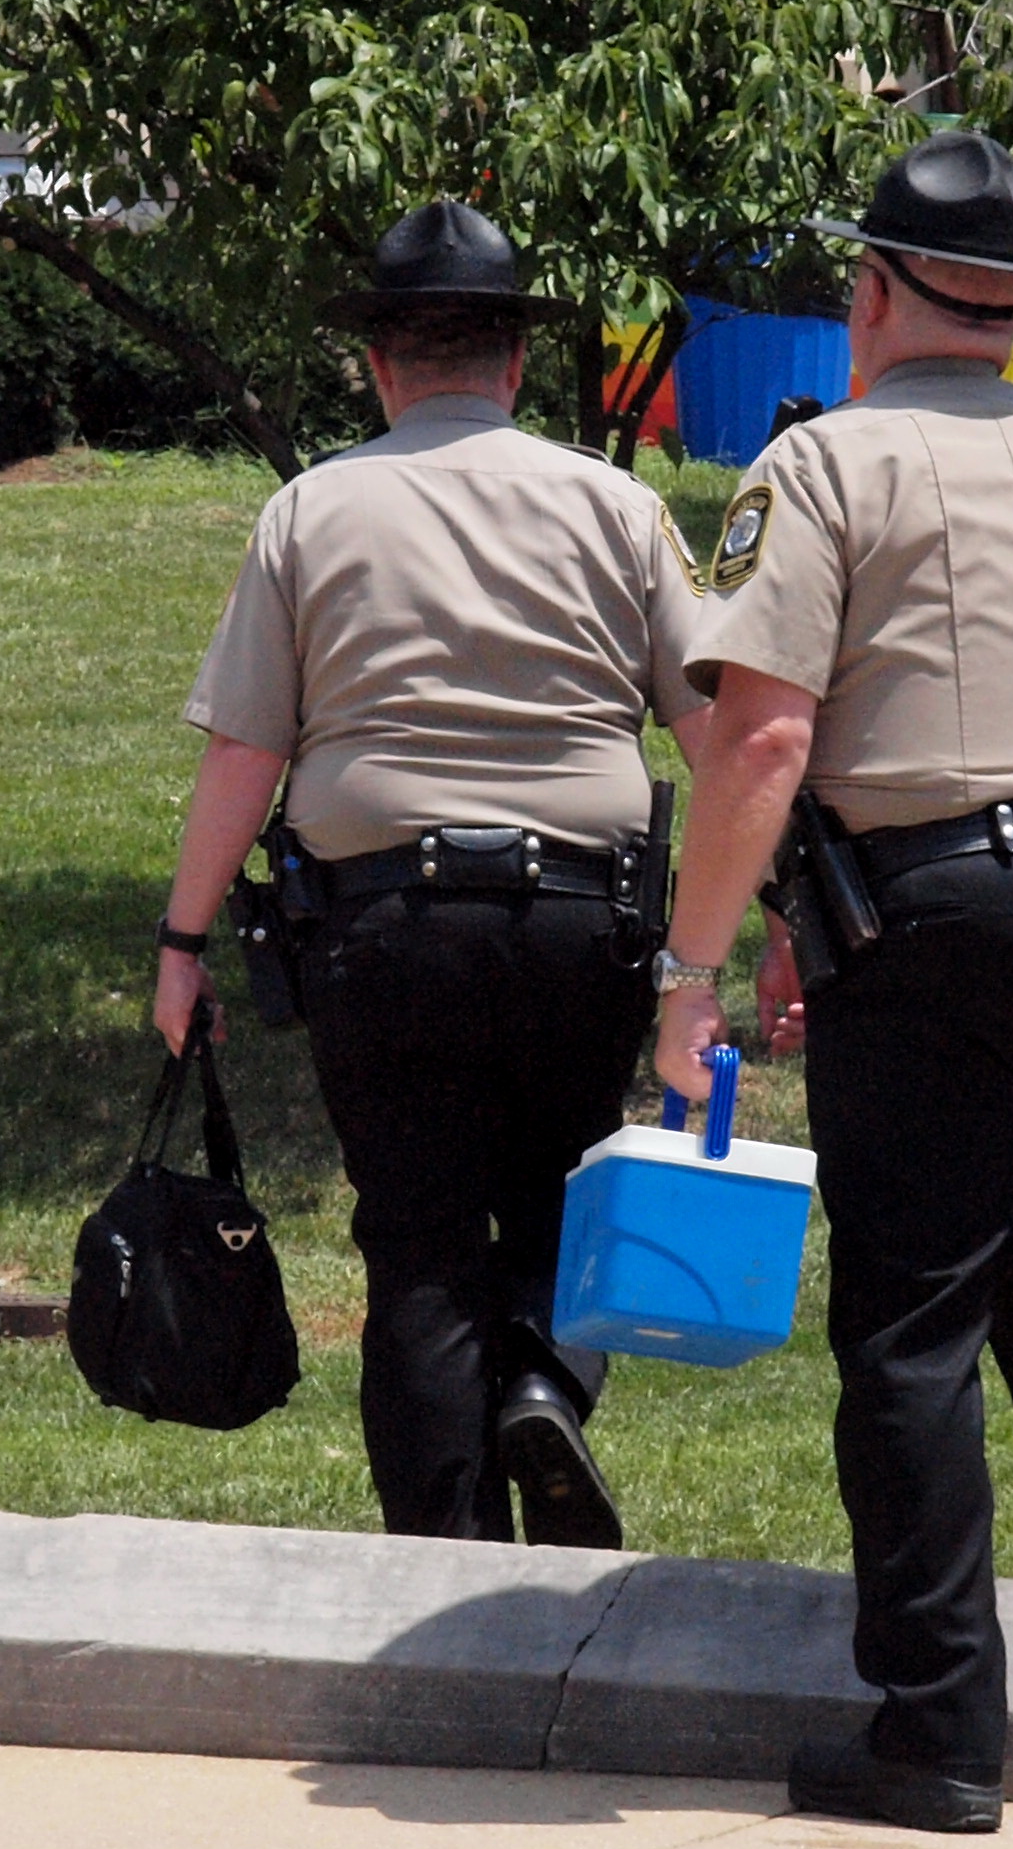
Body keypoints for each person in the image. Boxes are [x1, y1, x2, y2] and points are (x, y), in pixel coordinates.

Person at [654, 132, 1013, 1836]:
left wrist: (689, 971)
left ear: (873, 294)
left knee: (910, 1320)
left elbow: (762, 736)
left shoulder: (814, 466)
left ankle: (936, 1721)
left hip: (942, 920)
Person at [156, 200, 711, 1548]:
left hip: (382, 925)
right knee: (560, 1206)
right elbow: (717, 730)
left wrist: (180, 944)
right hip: (581, 919)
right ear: (515, 364)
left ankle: (442, 1554)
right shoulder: (620, 505)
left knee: (415, 1247)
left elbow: (245, 751)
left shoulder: (309, 511)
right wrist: (753, 928)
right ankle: (542, 1380)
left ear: (380, 366)